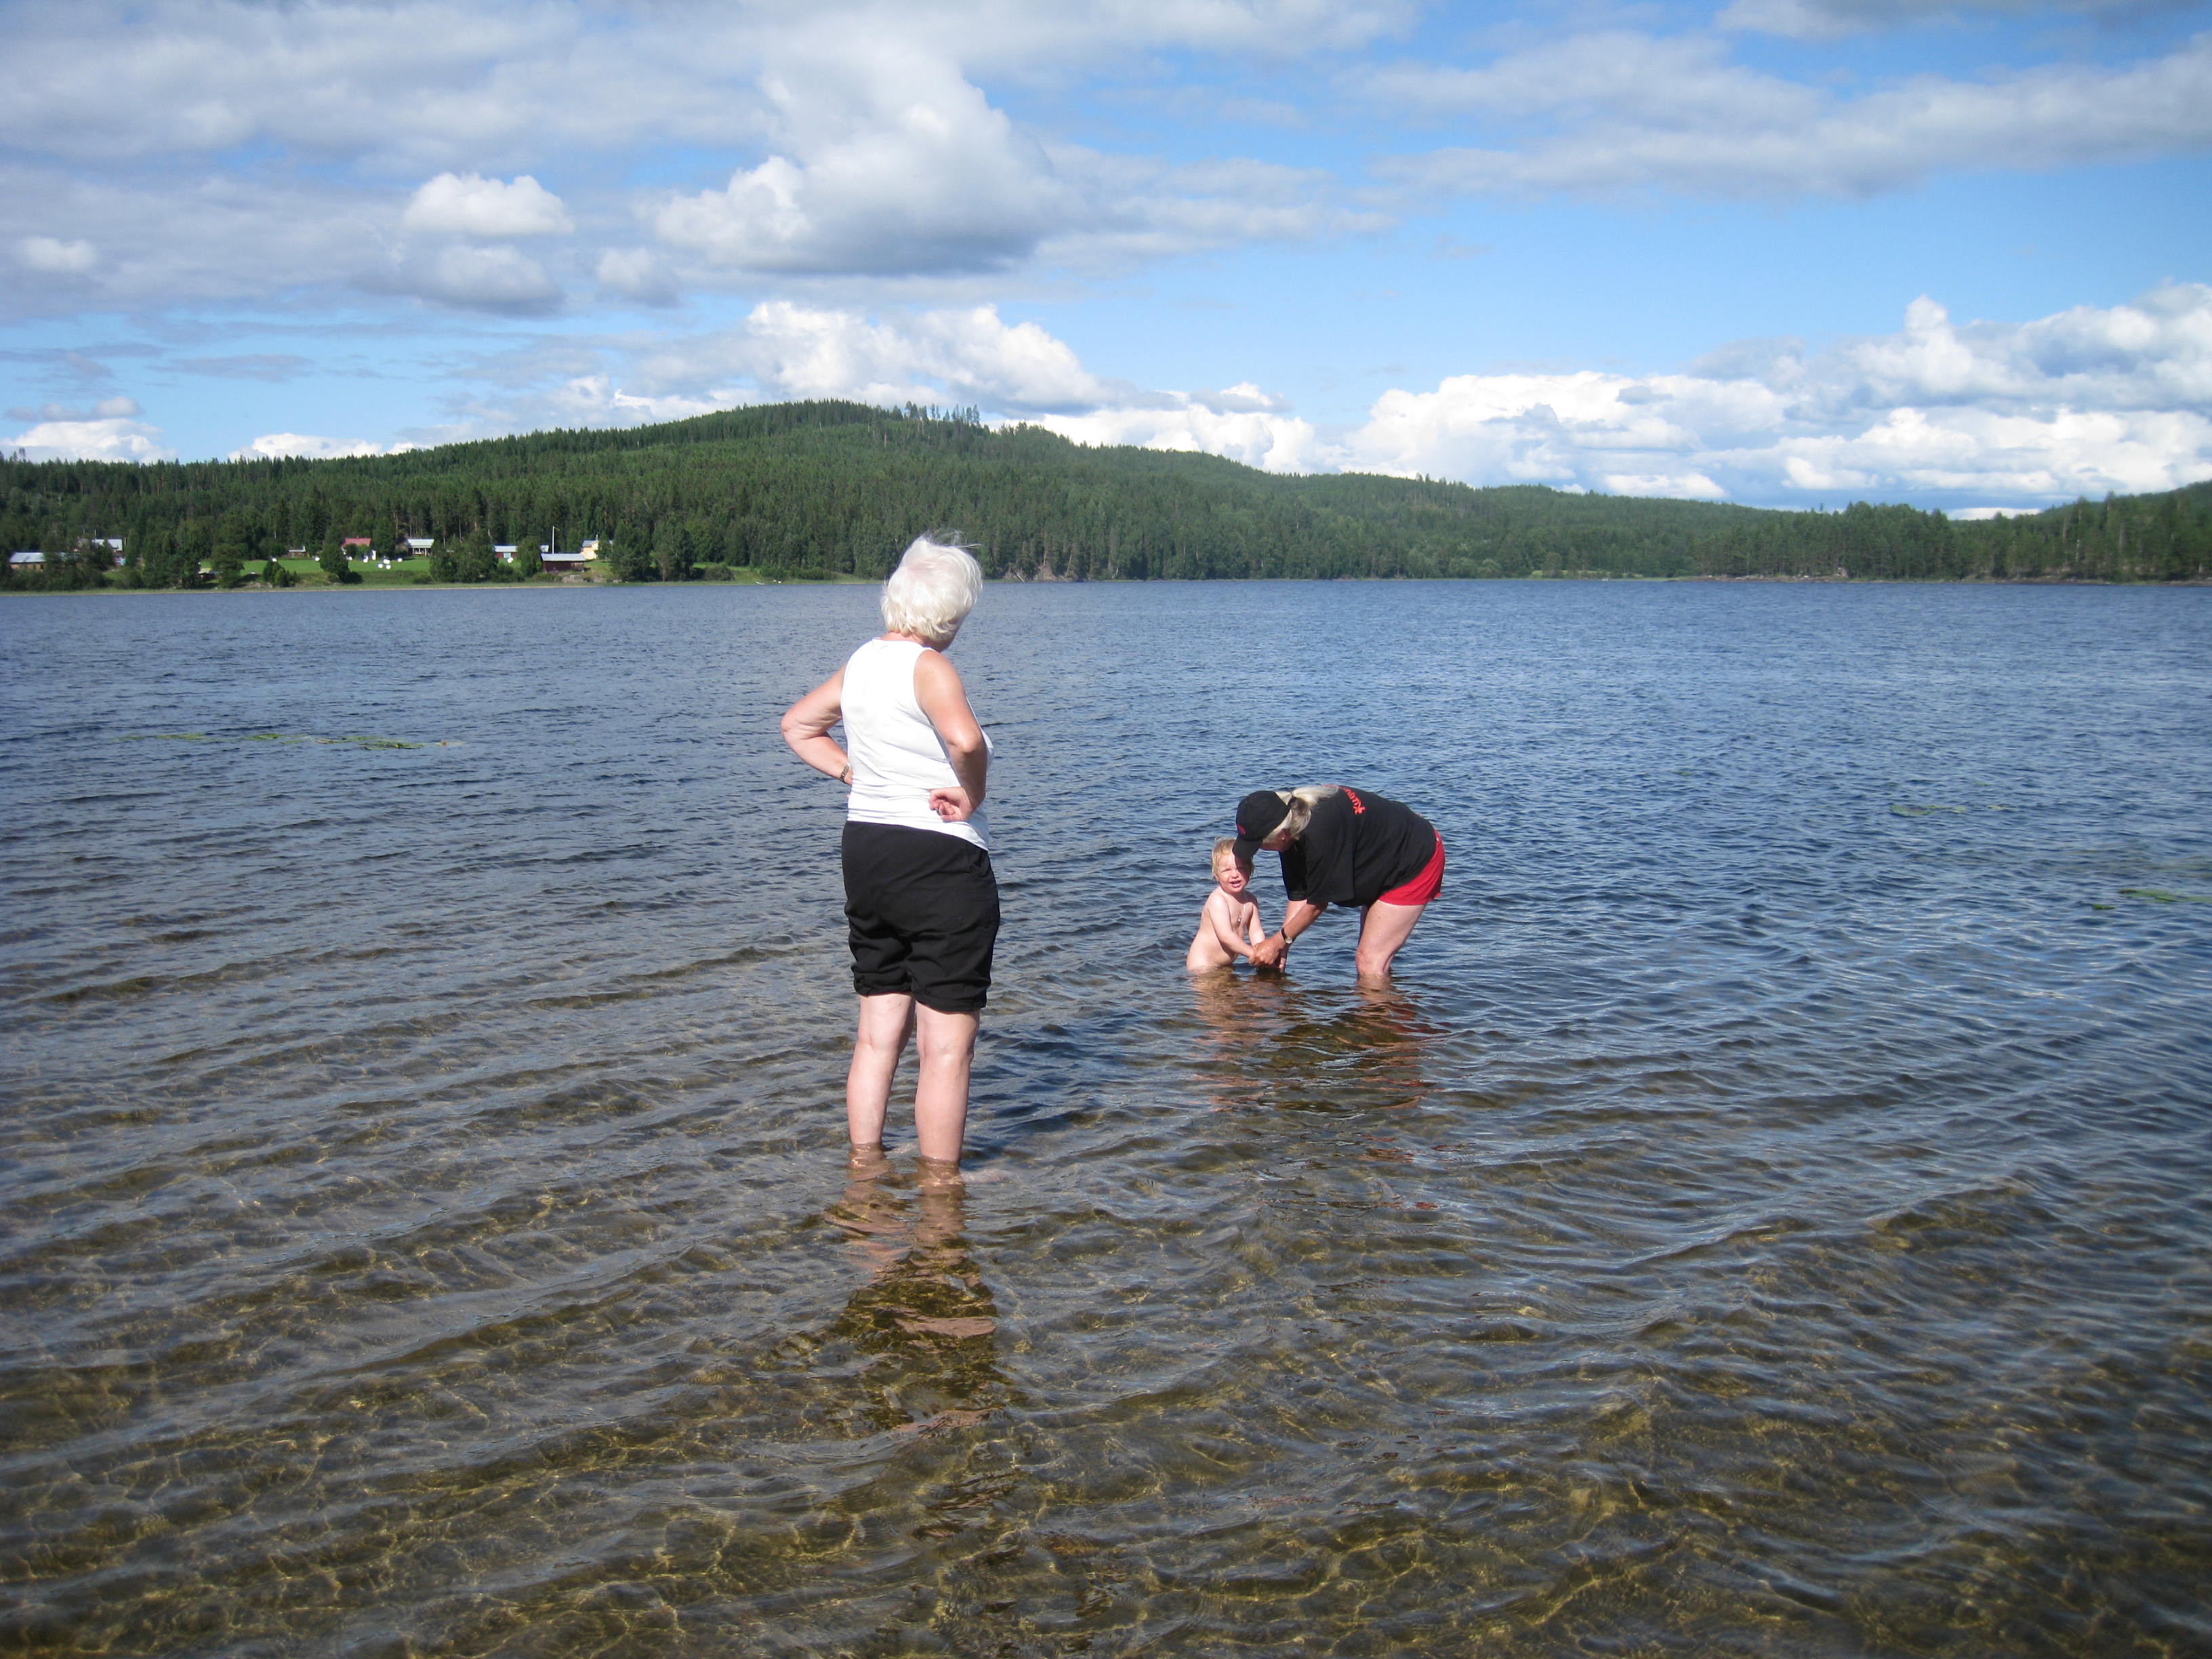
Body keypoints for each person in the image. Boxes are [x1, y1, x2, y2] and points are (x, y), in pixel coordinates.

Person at [781, 535, 996, 1174]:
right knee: (945, 1048)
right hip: (938, 860)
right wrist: (972, 794)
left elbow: (798, 725)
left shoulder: (862, 662)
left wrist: (855, 774)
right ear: (950, 614)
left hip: (867, 852)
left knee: (878, 1034)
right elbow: (964, 741)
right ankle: (941, 1196)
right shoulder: (929, 666)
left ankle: (865, 1172)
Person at [1233, 785, 1443, 982]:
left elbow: (1317, 904)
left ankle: (1381, 1009)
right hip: (1382, 857)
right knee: (1373, 961)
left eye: (1260, 844)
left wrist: (1278, 942)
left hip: (1413, 859)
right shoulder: (1290, 821)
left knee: (1369, 963)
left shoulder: (1318, 834)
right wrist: (1283, 946)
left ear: (1281, 834)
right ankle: (1383, 1005)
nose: (1259, 850)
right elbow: (1300, 894)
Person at [1186, 837, 1269, 972]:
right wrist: (1252, 954)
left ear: (1250, 870)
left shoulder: (1251, 901)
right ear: (1216, 875)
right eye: (1227, 870)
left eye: (1240, 868)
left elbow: (1256, 932)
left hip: (1225, 966)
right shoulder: (1218, 900)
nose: (1235, 875)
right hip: (1203, 965)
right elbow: (1226, 937)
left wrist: (1261, 951)